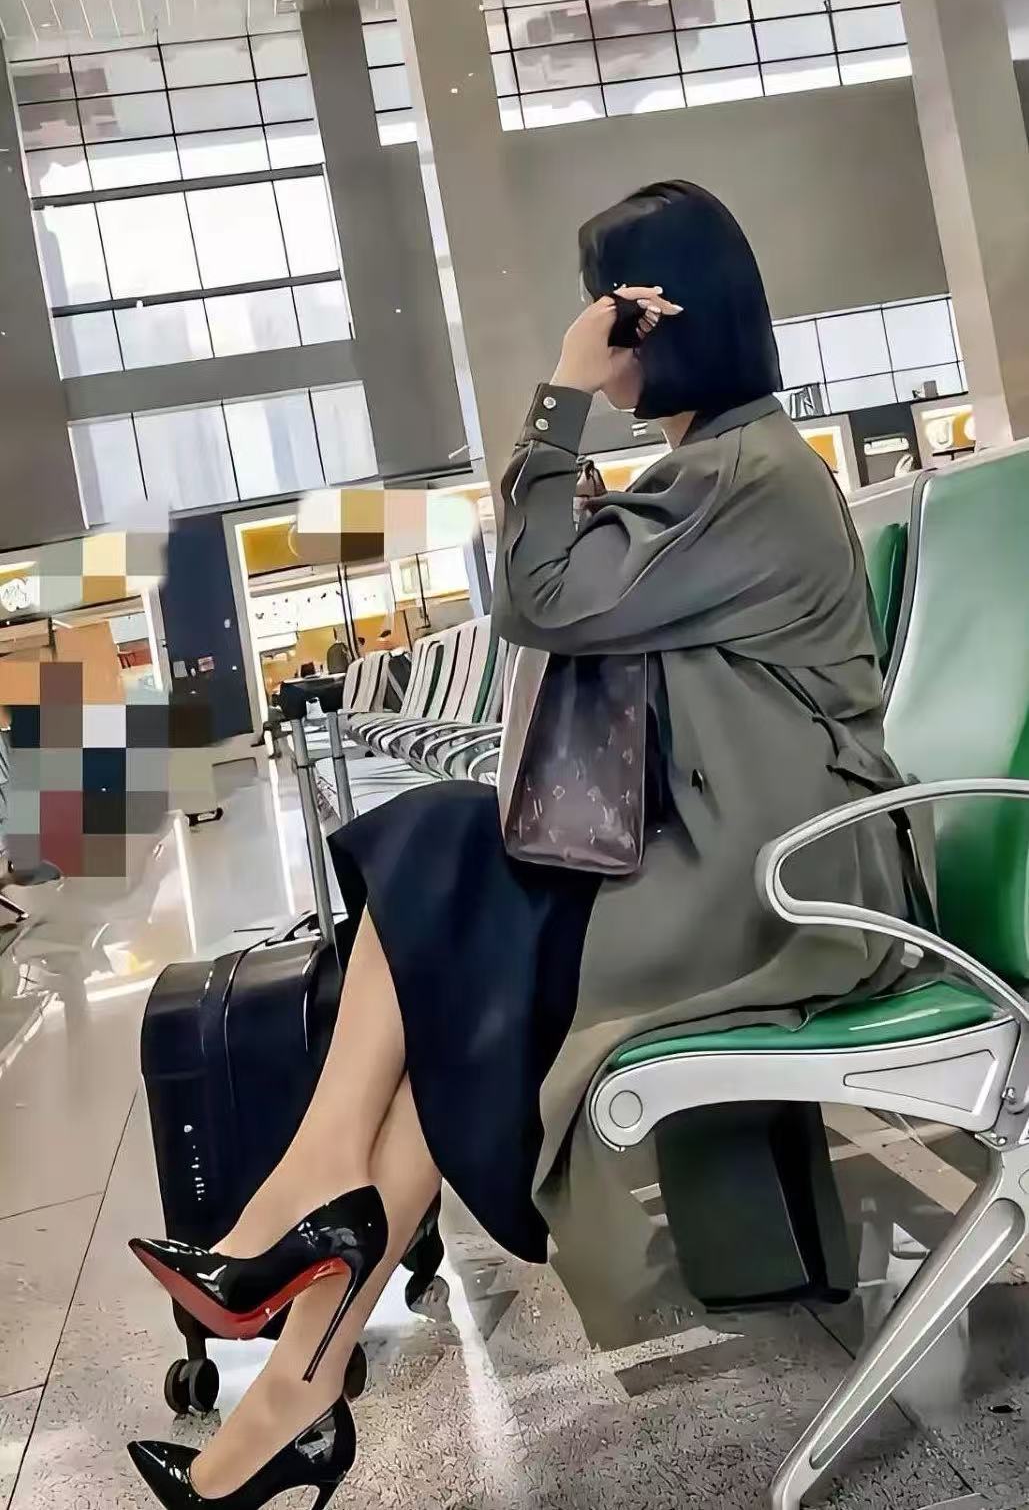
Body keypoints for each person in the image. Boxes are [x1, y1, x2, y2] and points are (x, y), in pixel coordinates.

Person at [125, 181, 916, 1510]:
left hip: (793, 882)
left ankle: (293, 1238)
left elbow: (540, 592)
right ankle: (291, 1390)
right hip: (727, 854)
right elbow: (560, 590)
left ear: (659, 320)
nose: (595, 335)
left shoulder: (747, 477)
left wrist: (559, 394)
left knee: (439, 860)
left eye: (609, 311)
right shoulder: (716, 472)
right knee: (452, 980)